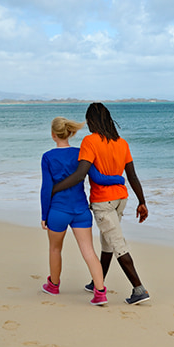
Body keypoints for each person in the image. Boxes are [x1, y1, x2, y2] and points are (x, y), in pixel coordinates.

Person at [52, 103, 150, 305]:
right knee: (108, 243)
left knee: (117, 243)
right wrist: (142, 201)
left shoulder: (90, 141)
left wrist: (55, 188)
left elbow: (80, 173)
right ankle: (97, 282)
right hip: (121, 199)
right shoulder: (121, 143)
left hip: (103, 201)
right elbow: (131, 175)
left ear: (92, 121)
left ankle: (139, 289)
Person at [40, 116, 125, 306]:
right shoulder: (81, 153)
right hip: (80, 211)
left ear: (53, 135)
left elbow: (46, 189)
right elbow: (99, 178)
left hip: (57, 211)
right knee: (88, 251)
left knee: (55, 249)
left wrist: (44, 215)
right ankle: (101, 293)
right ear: (70, 133)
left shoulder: (48, 157)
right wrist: (119, 180)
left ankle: (53, 285)